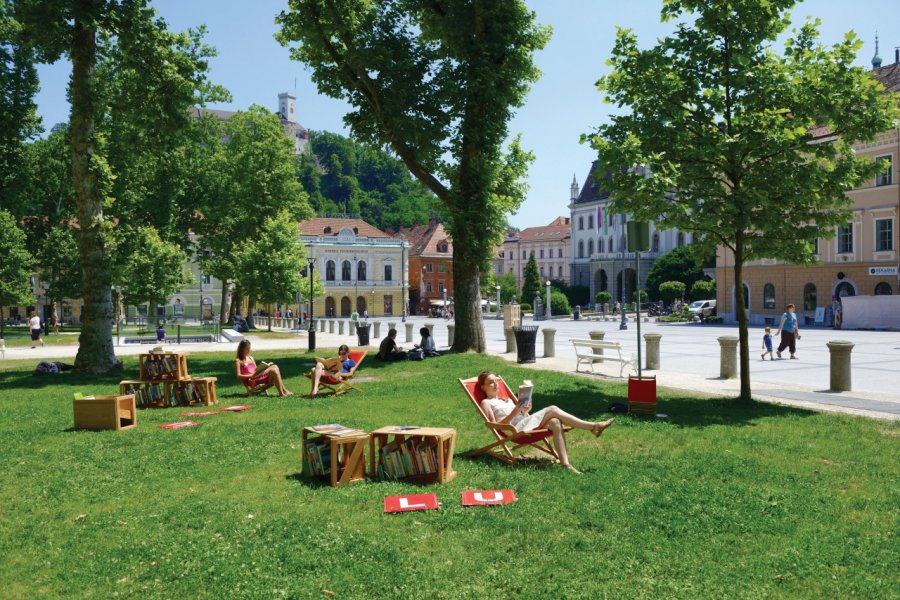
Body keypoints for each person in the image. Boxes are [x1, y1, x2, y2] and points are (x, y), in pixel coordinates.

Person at [476, 371, 614, 474]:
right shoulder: (486, 403)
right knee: (553, 409)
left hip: (524, 423)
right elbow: (493, 425)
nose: (495, 384)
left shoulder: (506, 399)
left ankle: (566, 464)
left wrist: (526, 409)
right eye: (491, 382)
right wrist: (513, 414)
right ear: (483, 387)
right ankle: (593, 426)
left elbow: (522, 415)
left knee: (554, 421)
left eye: (496, 381)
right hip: (515, 430)